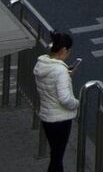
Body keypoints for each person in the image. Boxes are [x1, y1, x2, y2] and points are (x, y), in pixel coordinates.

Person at [32, 31, 78, 172]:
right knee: (57, 158)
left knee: (55, 155)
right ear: (63, 50)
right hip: (61, 120)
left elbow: (50, 83)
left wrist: (66, 75)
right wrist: (77, 103)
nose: (69, 53)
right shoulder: (60, 71)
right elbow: (65, 99)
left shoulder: (41, 65)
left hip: (47, 117)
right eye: (68, 50)